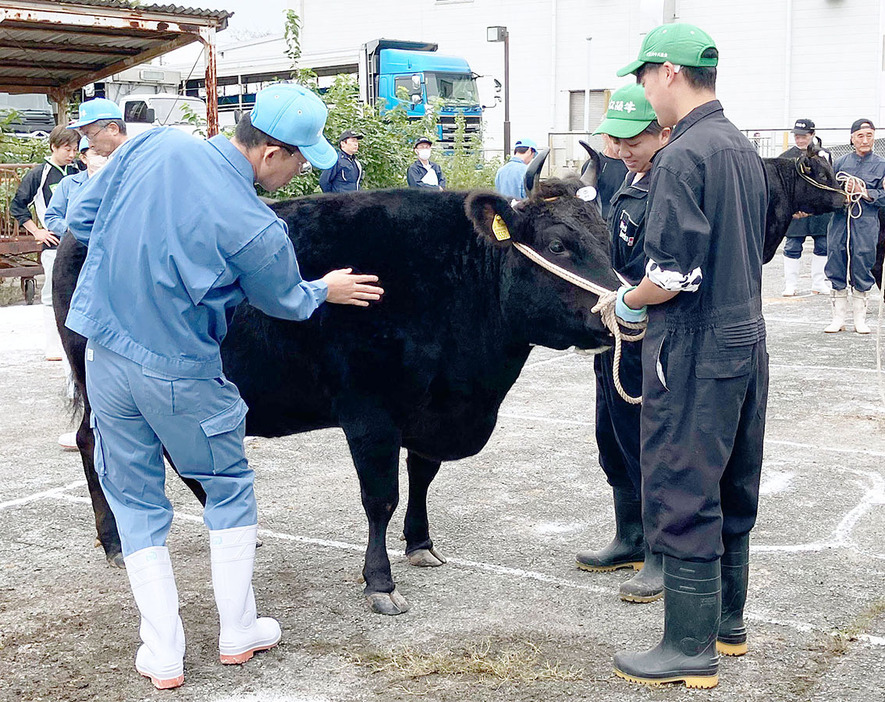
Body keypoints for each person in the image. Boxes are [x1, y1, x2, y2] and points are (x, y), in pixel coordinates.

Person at [64, 83, 384, 690]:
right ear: (271, 154)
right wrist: (325, 289)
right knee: (228, 484)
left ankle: (162, 652)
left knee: (134, 501)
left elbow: (80, 218)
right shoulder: (257, 228)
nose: (297, 175)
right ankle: (237, 630)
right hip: (182, 368)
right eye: (298, 160)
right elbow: (286, 303)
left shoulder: (151, 144)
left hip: (105, 353)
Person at [612, 23, 769, 688]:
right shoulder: (738, 144)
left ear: (668, 73)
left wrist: (627, 302)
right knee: (733, 480)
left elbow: (670, 275)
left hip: (695, 342)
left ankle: (686, 649)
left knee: (682, 485)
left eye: (645, 77)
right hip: (746, 335)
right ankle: (726, 627)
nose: (644, 91)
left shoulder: (681, 155)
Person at [575, 83, 669, 605]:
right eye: (617, 139)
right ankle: (629, 536)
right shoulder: (627, 181)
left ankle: (659, 550)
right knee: (611, 434)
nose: (624, 147)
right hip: (613, 332)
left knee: (647, 441)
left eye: (635, 138)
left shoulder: (669, 184)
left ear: (661, 132)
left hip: (648, 333)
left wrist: (633, 302)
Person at [44, 136, 108, 449]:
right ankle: (83, 400)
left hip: (106, 266)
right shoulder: (69, 186)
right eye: (95, 153)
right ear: (83, 157)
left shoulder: (120, 183)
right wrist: (73, 231)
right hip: (75, 263)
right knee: (76, 334)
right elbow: (52, 217)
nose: (102, 158)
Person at [10, 124, 80, 360]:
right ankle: (53, 345)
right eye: (67, 149)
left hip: (78, 242)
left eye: (75, 149)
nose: (71, 154)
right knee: (52, 294)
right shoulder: (39, 174)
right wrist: (36, 231)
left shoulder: (78, 170)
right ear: (54, 147)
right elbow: (17, 205)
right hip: (53, 244)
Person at [823, 118, 885, 334]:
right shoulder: (839, 163)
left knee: (862, 261)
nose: (865, 140)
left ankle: (860, 319)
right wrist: (843, 193)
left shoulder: (882, 165)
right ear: (852, 138)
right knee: (836, 261)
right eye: (860, 136)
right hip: (840, 221)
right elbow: (827, 191)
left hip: (866, 223)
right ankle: (838, 318)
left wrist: (865, 191)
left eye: (869, 135)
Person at [780, 118, 832, 296]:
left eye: (804, 136)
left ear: (812, 135)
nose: (800, 140)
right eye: (797, 136)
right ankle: (791, 284)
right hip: (796, 210)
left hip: (818, 209)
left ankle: (818, 282)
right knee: (792, 245)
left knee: (823, 244)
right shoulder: (785, 157)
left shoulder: (823, 155)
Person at [596, 133, 630, 222]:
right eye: (612, 136)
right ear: (603, 135)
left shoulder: (633, 164)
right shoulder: (594, 165)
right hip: (602, 223)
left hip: (626, 222)